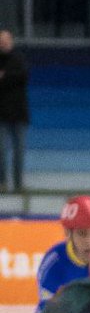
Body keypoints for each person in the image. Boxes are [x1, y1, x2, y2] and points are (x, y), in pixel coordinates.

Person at [0, 31, 27, 193]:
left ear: (11, 41)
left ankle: (18, 184)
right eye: (1, 41)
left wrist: (5, 77)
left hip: (18, 112)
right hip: (1, 114)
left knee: (19, 151)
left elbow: (22, 77)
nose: (3, 43)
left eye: (5, 40)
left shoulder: (19, 59)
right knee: (1, 151)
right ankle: (2, 182)